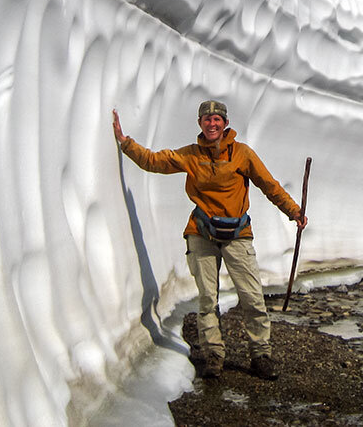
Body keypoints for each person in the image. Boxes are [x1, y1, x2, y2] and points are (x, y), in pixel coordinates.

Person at [112, 100, 307, 380]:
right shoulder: (191, 155)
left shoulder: (242, 154)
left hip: (237, 234)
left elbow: (269, 185)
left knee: (252, 297)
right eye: (207, 119)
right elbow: (155, 161)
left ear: (225, 123)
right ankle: (213, 355)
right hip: (201, 232)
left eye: (217, 119)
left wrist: (294, 212)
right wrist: (125, 142)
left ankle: (261, 354)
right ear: (200, 123)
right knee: (207, 298)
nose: (212, 124)